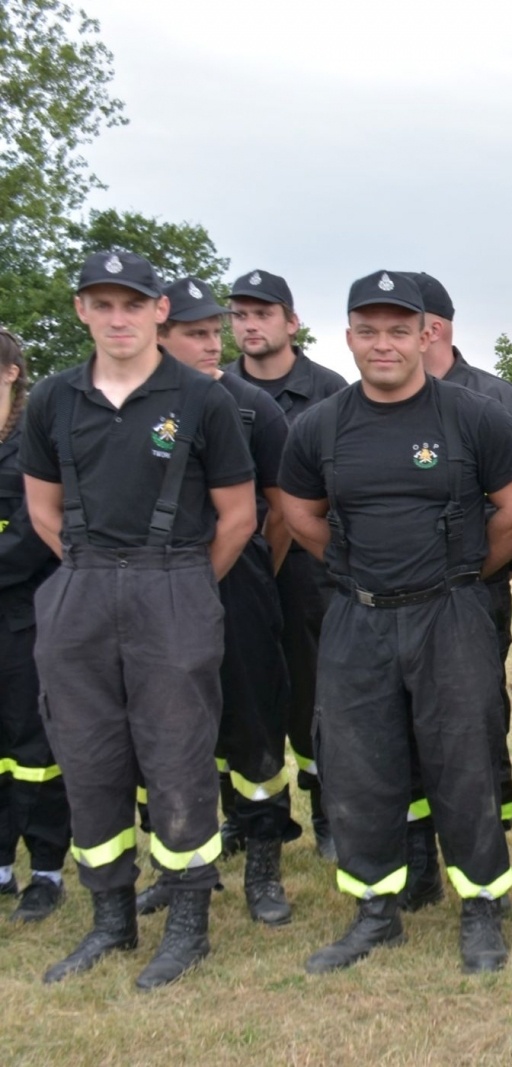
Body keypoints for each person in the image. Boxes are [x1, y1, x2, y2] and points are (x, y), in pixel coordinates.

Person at [278, 271, 512, 976]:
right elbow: (299, 513)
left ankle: (481, 906)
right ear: (348, 337)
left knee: (466, 762)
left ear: (427, 334)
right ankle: (375, 910)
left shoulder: (471, 416)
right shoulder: (320, 425)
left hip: (449, 612)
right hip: (357, 617)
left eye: (399, 329)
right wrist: (358, 566)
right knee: (359, 768)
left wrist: (464, 570)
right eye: (369, 330)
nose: (383, 343)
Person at [22, 249, 257, 988]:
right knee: (88, 756)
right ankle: (111, 918)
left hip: (175, 584)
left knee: (178, 755)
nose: (117, 317)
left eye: (133, 303)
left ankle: (188, 920)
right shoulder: (53, 400)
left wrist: (179, 586)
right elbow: (41, 506)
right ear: (81, 311)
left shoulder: (203, 399)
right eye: (102, 303)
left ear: (160, 310)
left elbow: (239, 514)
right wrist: (98, 574)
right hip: (81, 584)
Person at [398, 271, 512, 912]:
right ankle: (417, 859)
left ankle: (483, 851)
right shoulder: (374, 402)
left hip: (471, 597)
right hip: (392, 603)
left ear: (433, 328)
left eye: (404, 324)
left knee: (472, 723)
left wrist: (494, 565)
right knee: (403, 728)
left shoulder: (497, 400)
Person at [141, 277, 294, 926]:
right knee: (164, 737)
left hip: (240, 593)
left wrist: (249, 573)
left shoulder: (254, 407)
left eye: (216, 329)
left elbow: (282, 509)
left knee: (254, 731)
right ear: (159, 335)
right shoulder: (130, 409)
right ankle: (175, 868)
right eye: (196, 333)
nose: (214, 343)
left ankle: (263, 863)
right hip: (150, 599)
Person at [226, 269, 347, 861]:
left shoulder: (329, 391)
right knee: (239, 691)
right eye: (240, 315)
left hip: (306, 571)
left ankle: (328, 812)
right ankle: (245, 816)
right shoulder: (215, 392)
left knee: (315, 695)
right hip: (236, 569)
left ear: (291, 322)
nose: (250, 325)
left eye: (263, 314)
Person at [0, 329, 69, 923]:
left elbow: (31, 532)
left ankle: (46, 868)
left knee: (35, 749)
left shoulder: (32, 441)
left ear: (11, 374)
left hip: (24, 617)